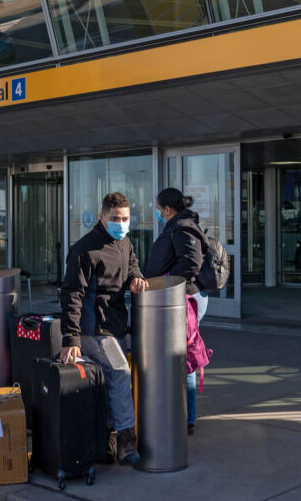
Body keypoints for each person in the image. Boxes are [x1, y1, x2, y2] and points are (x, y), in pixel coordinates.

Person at [60, 192, 147, 466]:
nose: (121, 223)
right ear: (102, 217)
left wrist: (136, 277)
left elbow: (131, 265)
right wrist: (71, 337)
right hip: (93, 329)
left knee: (116, 377)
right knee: (120, 373)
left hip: (116, 324)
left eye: (125, 218)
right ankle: (125, 440)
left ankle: (107, 440)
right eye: (115, 218)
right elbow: (72, 293)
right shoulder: (84, 249)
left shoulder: (125, 242)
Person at [145, 188, 210, 435]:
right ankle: (183, 416)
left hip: (183, 297)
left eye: (159, 209)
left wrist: (166, 280)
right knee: (180, 355)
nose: (159, 213)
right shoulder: (179, 225)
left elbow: (191, 262)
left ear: (168, 209)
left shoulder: (182, 226)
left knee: (182, 357)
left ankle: (185, 418)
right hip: (179, 296)